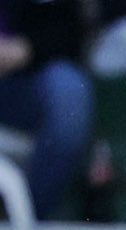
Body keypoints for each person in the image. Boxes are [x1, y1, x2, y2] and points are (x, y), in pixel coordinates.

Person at [0, 0, 95, 218]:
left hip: (18, 83)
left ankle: (25, 224)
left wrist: (25, 48)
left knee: (69, 89)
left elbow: (69, 33)